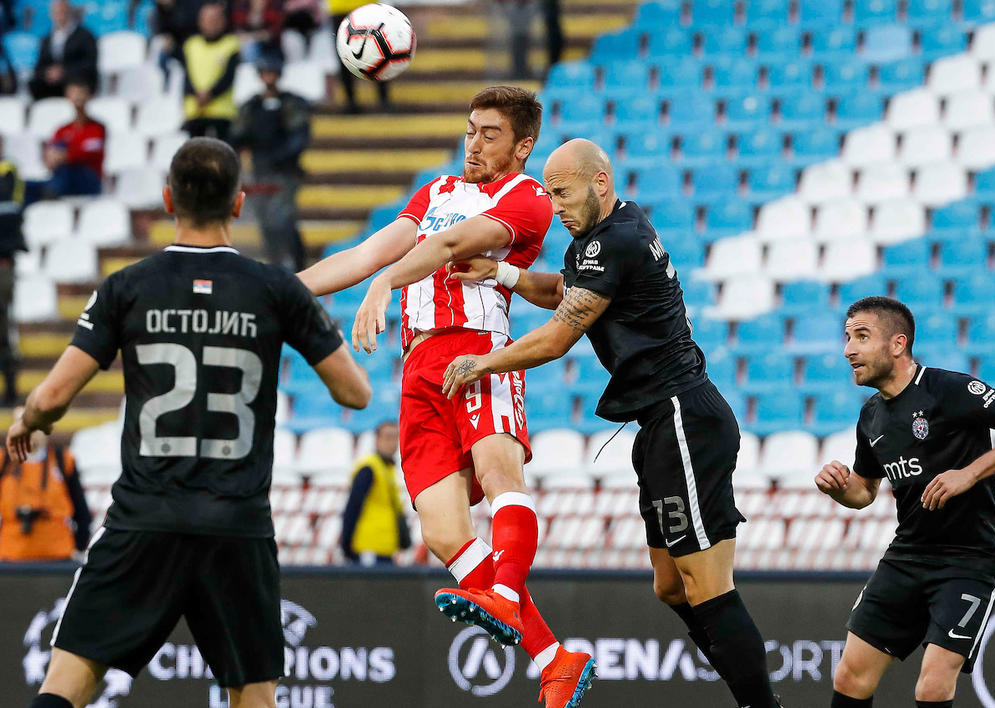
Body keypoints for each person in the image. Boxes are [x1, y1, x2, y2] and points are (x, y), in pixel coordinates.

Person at [6, 137, 371, 708]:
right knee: (254, 697)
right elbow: (356, 392)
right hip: (237, 525)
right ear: (239, 203)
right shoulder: (275, 289)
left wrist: (27, 419)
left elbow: (53, 397)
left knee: (67, 683)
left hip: (144, 519)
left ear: (168, 199)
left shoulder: (127, 286)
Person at [442, 138, 782, 708]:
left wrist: (484, 361)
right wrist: (501, 273)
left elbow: (558, 337)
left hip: (683, 417)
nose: (554, 206)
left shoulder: (614, 240)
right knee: (670, 585)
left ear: (599, 182)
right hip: (659, 424)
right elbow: (566, 292)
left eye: (562, 192)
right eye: (549, 194)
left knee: (706, 584)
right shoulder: (609, 231)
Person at [298, 86, 597, 707]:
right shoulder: (435, 190)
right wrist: (276, 292)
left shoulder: (527, 197)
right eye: (470, 130)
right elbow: (366, 252)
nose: (474, 145)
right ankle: (553, 658)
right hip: (418, 369)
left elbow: (450, 246)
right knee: (440, 530)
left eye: (490, 134)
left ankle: (506, 596)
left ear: (523, 146)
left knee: (499, 471)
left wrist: (385, 283)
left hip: (477, 352)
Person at [814, 296, 995, 708]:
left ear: (898, 344)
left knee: (932, 685)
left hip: (970, 559)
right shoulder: (871, 416)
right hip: (908, 555)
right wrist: (839, 488)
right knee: (850, 676)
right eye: (847, 338)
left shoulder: (950, 389)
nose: (848, 350)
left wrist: (969, 474)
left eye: (862, 337)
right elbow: (864, 491)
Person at [230, 53, 309, 271]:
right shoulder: (251, 106)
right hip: (260, 171)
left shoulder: (291, 103)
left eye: (272, 72)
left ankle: (297, 265)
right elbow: (238, 134)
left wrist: (280, 157)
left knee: (283, 218)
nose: (268, 77)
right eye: (265, 72)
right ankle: (275, 265)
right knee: (265, 221)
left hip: (285, 172)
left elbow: (299, 137)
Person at [0, 408, 91, 561]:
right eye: (24, 425)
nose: (30, 433)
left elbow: (82, 512)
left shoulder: (63, 461)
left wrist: (79, 546)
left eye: (35, 426)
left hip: (57, 555)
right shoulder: (4, 462)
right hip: (11, 556)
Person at [340, 420, 409, 565]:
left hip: (386, 547)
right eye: (388, 437)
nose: (392, 443)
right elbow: (353, 506)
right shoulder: (369, 468)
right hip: (368, 546)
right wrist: (346, 544)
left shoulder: (388, 469)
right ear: (377, 440)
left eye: (395, 438)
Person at [180, 2, 240, 141]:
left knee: (221, 152)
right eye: (207, 19)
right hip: (195, 111)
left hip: (221, 112)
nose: (211, 24)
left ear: (223, 21)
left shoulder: (231, 44)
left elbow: (228, 77)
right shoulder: (191, 44)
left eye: (215, 20)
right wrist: (196, 94)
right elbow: (187, 76)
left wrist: (210, 94)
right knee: (196, 152)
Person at [39, 78, 105, 199]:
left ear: (89, 96)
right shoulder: (62, 130)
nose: (77, 97)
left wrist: (66, 156)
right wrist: (52, 158)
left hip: (88, 179)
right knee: (28, 187)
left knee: (67, 173)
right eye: (74, 93)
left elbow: (92, 153)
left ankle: (51, 192)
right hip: (63, 178)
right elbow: (51, 156)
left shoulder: (97, 128)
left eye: (81, 93)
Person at [328, 0, 390, 113]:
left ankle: (353, 102)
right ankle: (381, 101)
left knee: (376, 52)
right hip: (351, 8)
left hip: (357, 8)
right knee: (377, 51)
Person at [28, 0, 97, 100]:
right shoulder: (46, 39)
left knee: (76, 85)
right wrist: (48, 73)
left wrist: (64, 72)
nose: (59, 15)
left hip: (76, 79)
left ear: (69, 11)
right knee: (34, 84)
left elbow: (89, 63)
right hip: (53, 84)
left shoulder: (85, 36)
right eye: (56, 11)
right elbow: (39, 67)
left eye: (62, 11)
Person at [0, 138, 25, 404]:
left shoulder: (7, 172)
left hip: (2, 264)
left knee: (2, 330)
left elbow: (11, 213)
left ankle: (10, 390)